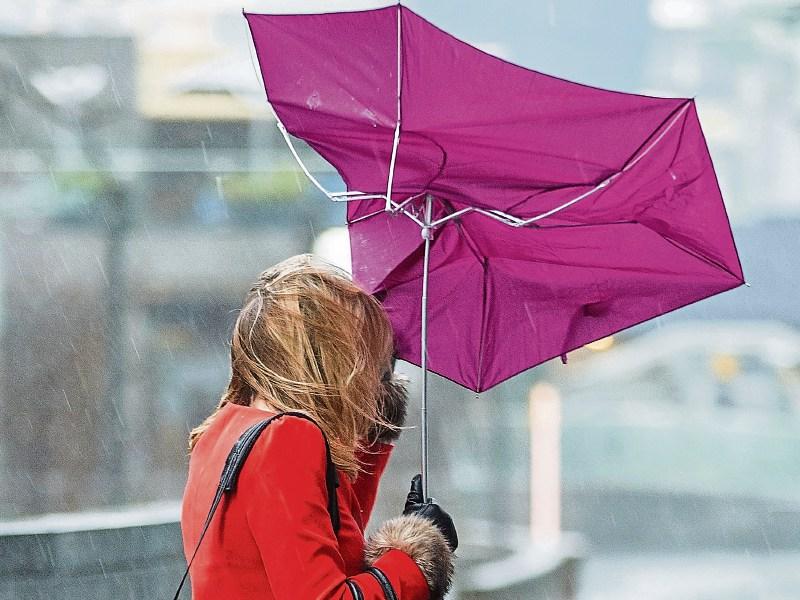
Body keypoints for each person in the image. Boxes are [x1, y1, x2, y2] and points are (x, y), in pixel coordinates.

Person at [180, 254, 457, 599]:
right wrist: (414, 560)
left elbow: (335, 538)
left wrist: (372, 428)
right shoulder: (286, 439)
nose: (370, 368)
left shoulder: (222, 431)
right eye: (363, 351)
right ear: (327, 355)